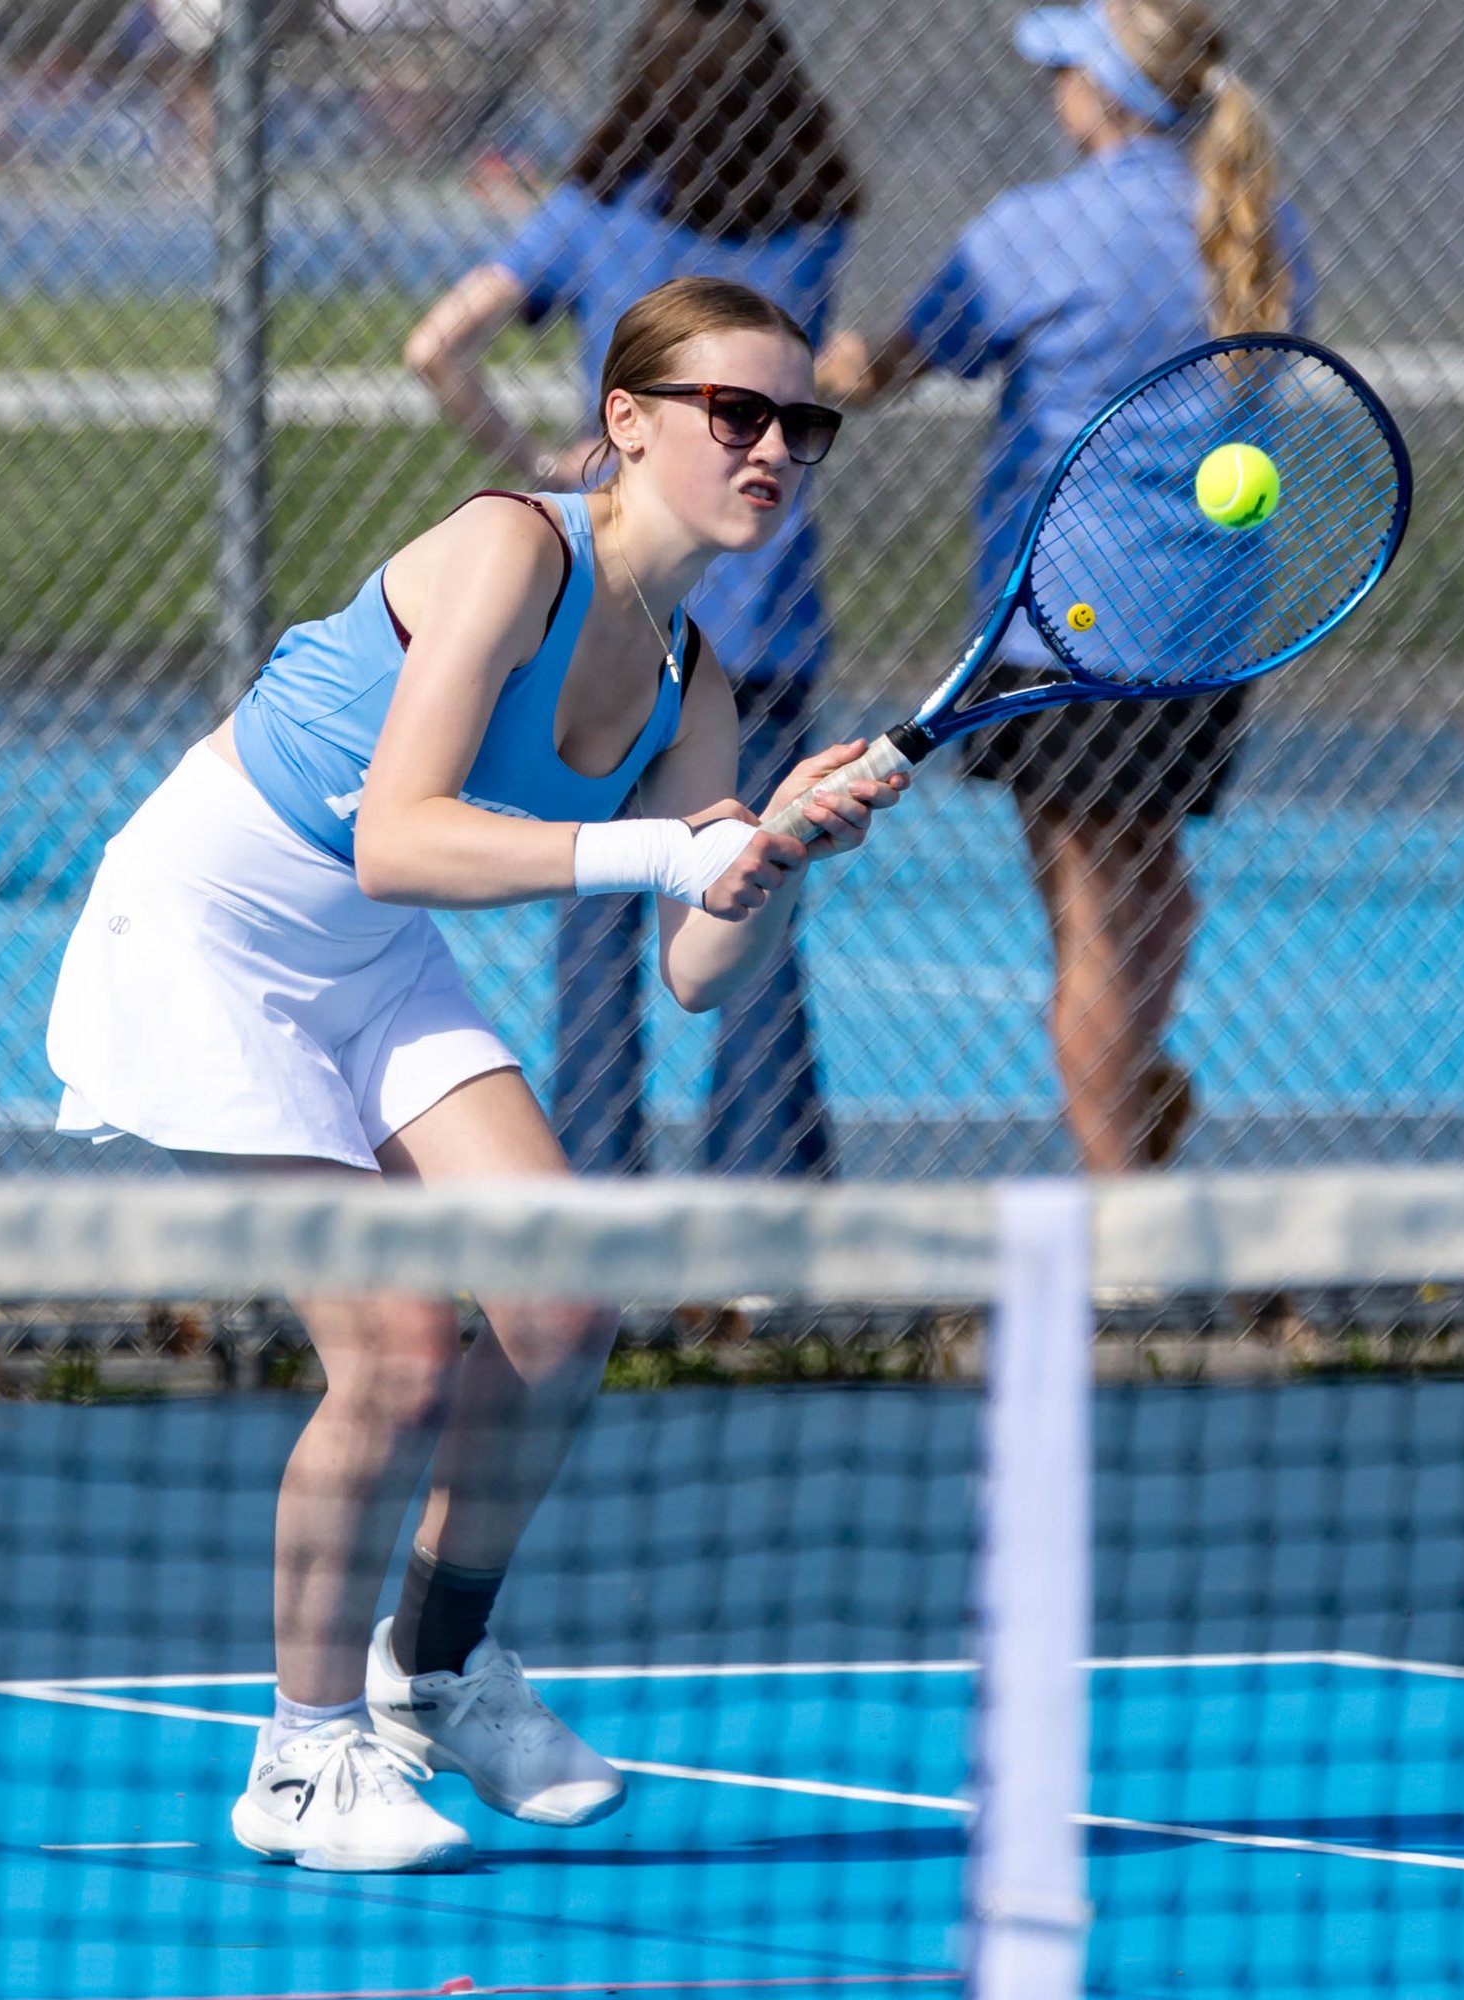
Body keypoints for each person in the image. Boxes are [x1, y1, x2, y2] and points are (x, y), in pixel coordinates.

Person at [45, 276, 898, 1873]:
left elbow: (696, 974)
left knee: (568, 1300)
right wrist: (673, 843)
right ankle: (299, 1763)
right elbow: (395, 834)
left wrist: (771, 850)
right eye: (739, 413)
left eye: (804, 423)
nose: (776, 446)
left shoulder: (694, 678)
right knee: (395, 1352)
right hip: (210, 936)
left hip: (368, 970)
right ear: (629, 425)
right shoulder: (514, 546)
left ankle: (431, 1669)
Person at [818, 0, 1311, 1173]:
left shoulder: (1031, 232)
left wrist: (820, 357)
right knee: (1151, 882)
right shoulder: (1255, 220)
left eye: (1065, 72)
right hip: (1206, 628)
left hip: (1069, 627)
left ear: (1104, 93)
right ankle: (1133, 1085)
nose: (1053, 91)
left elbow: (888, 366)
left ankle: (1115, 1201)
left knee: (1089, 921)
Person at [404, 0, 862, 1178]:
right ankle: (770, 1212)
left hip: (614, 622)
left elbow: (435, 344)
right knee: (750, 901)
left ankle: (596, 1192)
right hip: (765, 622)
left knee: (597, 919)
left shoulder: (594, 220)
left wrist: (538, 464)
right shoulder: (811, 230)